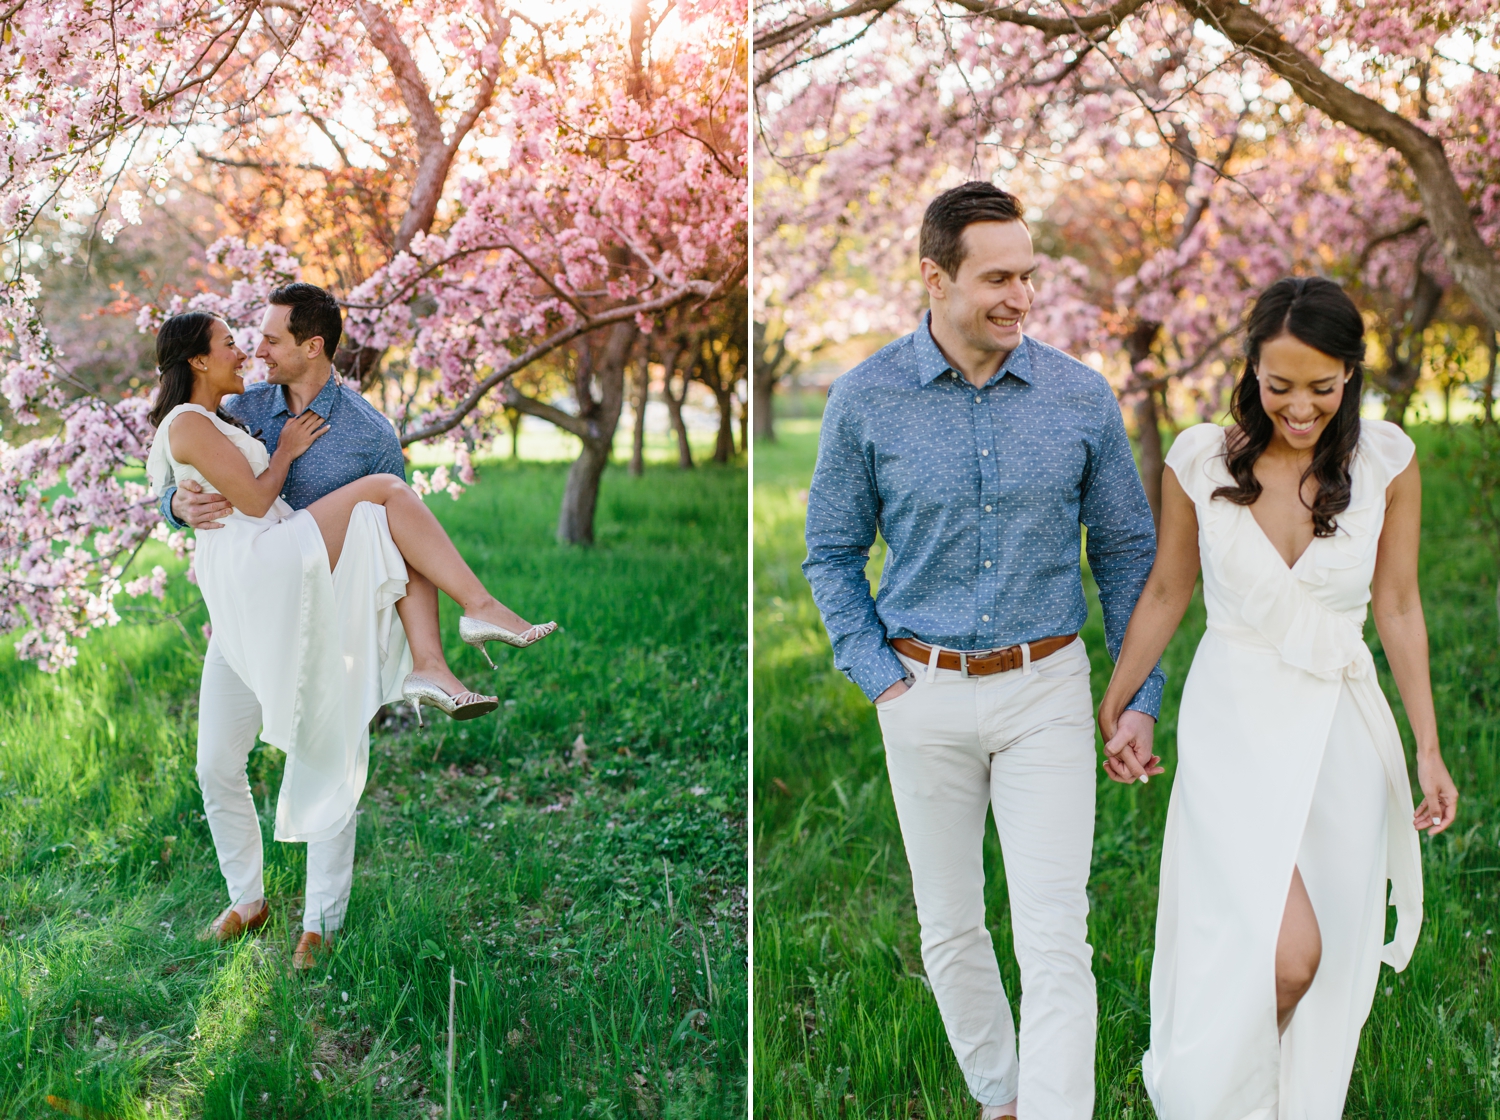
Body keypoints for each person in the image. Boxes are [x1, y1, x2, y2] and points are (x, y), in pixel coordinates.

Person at [802, 181, 1164, 1120]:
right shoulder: (865, 400)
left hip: (1047, 687)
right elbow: (831, 553)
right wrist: (880, 677)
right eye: (997, 277)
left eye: (1028, 276)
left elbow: (1127, 551)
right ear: (935, 276)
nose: (1020, 297)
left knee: (1056, 935)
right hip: (919, 687)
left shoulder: (1080, 397)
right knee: (951, 928)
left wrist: (1138, 692)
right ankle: (1001, 1098)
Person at [1096, 276, 1458, 1117]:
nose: (1300, 406)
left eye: (1323, 388)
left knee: (1325, 963)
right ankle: (1205, 1093)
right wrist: (1116, 701)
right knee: (1279, 952)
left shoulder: (1387, 463)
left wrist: (1428, 747)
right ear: (1250, 369)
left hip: (1341, 730)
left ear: (1351, 375)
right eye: (1279, 384)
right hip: (1234, 723)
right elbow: (1165, 591)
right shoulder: (1199, 459)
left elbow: (1399, 606)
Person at [146, 286, 555, 968]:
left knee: (329, 754)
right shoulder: (242, 405)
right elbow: (177, 461)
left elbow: (404, 542)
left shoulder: (368, 433)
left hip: (326, 613)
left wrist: (418, 641)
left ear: (312, 345)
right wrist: (174, 506)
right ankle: (247, 898)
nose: (256, 348)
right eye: (246, 340)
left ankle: (320, 923)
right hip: (247, 613)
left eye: (272, 338)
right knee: (216, 761)